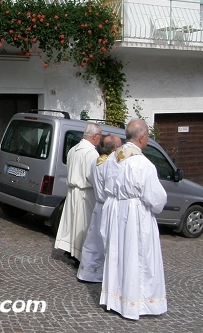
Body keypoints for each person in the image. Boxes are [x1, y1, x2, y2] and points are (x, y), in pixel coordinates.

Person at [99, 119, 167, 320]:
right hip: (135, 214)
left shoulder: (113, 158)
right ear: (143, 137)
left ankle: (115, 299)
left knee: (117, 254)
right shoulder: (143, 163)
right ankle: (137, 303)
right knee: (138, 257)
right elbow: (156, 197)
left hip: (114, 210)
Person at [54, 122, 102, 265]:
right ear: (95, 136)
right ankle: (80, 256)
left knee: (73, 223)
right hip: (85, 193)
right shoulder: (91, 153)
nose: (100, 139)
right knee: (84, 226)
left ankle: (71, 250)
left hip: (72, 191)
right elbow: (92, 176)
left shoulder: (73, 149)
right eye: (100, 136)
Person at [76, 134, 121, 283]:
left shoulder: (97, 162)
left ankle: (88, 272)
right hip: (109, 206)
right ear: (114, 148)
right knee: (108, 242)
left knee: (94, 241)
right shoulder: (113, 164)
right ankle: (106, 274)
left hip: (98, 205)